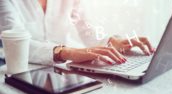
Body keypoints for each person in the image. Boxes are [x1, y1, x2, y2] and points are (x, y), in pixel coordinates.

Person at [0, 0, 155, 65]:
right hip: (14, 67)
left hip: (60, 69)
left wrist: (110, 41)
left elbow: (85, 27)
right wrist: (66, 52)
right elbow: (15, 44)